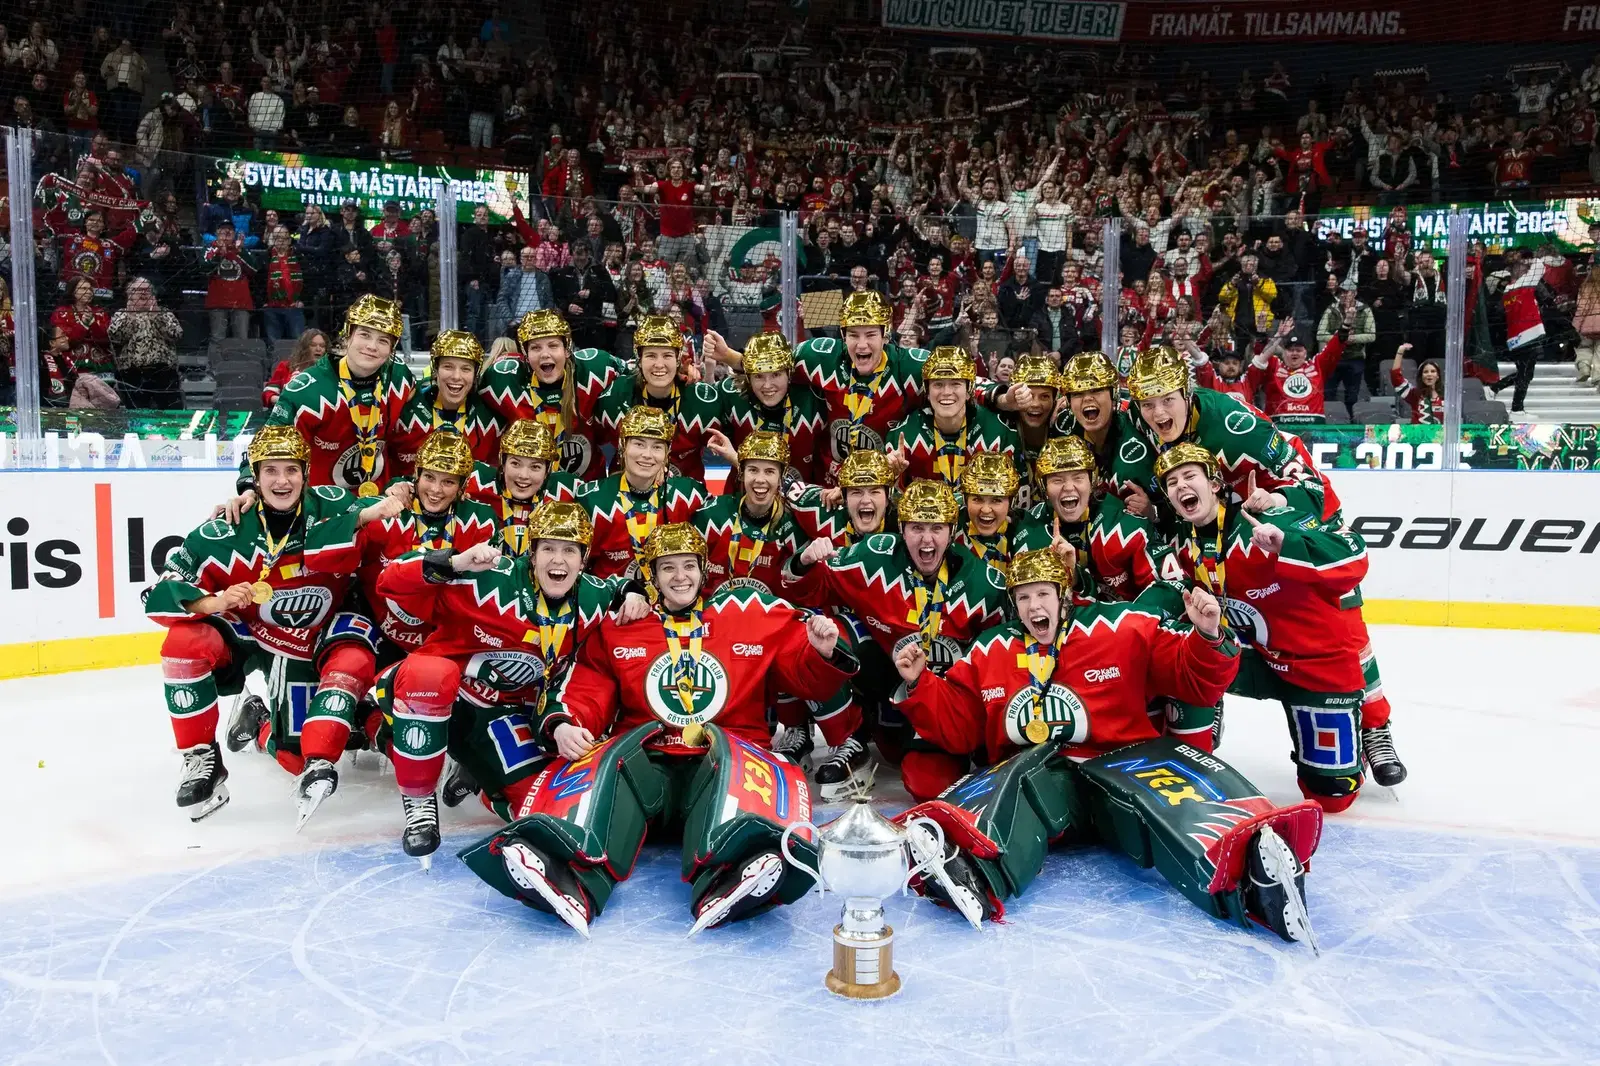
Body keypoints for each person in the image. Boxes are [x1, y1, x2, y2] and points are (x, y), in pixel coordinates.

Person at [890, 547, 1323, 950]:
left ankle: (1255, 878)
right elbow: (961, 726)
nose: (1034, 606)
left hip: (1124, 767)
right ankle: (968, 871)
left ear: (1064, 595)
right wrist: (920, 685)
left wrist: (1207, 636)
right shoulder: (991, 649)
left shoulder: (1119, 626)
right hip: (1046, 780)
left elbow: (1191, 678)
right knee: (1016, 784)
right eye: (1023, 597)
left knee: (1174, 798)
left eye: (1042, 594)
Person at [460, 522, 856, 937]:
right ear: (651, 575)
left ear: (704, 570)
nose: (680, 577)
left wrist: (821, 650)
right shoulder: (622, 627)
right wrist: (563, 724)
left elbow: (803, 674)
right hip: (650, 771)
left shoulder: (748, 616)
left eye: (689, 566)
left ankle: (737, 872)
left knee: (734, 767)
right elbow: (588, 686)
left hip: (720, 769)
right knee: (610, 762)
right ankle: (567, 876)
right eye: (668, 567)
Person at [145, 425, 401, 826]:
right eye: (271, 471)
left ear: (306, 472)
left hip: (316, 636)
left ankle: (265, 720)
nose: (282, 481)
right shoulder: (225, 529)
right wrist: (215, 601)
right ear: (255, 477)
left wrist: (396, 496)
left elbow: (381, 517)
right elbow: (160, 592)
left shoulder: (334, 504)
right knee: (185, 643)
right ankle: (202, 755)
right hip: (253, 633)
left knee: (296, 757)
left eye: (291, 470)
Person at [373, 502, 650, 861]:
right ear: (532, 554)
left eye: (569, 551)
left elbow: (622, 587)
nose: (558, 560)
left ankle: (478, 776)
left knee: (536, 798)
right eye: (548, 548)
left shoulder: (592, 597)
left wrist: (634, 591)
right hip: (444, 696)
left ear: (584, 560)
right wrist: (455, 563)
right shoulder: (490, 576)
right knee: (429, 674)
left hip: (504, 715)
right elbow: (388, 581)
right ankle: (419, 800)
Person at [1158, 442, 1398, 808]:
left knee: (1332, 796)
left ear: (1216, 485)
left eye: (1189, 476)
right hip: (1248, 653)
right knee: (1173, 651)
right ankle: (1197, 742)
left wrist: (1288, 542)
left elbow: (1353, 553)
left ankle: (1365, 732)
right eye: (1172, 483)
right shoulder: (1179, 540)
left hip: (1309, 661)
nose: (1181, 486)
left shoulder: (1265, 519)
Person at [782, 479, 1009, 801]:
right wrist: (803, 562)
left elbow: (1004, 659)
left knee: (925, 784)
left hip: (938, 700)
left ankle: (950, 743)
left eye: (937, 528)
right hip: (884, 683)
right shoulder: (873, 556)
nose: (927, 540)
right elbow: (807, 588)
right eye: (917, 528)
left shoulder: (985, 585)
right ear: (901, 528)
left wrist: (984, 732)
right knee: (814, 634)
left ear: (952, 532)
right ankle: (851, 740)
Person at [711, 290, 928, 484]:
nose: (862, 345)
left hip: (879, 487)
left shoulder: (910, 367)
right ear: (843, 335)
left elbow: (948, 384)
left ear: (885, 334)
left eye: (870, 334)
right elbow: (774, 366)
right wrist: (729, 356)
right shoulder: (819, 358)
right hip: (828, 489)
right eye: (853, 334)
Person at [231, 295, 415, 499]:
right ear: (348, 335)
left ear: (392, 348)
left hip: (381, 503)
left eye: (383, 340)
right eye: (365, 334)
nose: (372, 346)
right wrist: (248, 489)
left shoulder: (399, 378)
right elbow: (267, 443)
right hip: (323, 506)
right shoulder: (306, 390)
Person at [571, 406, 708, 580]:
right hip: (611, 596)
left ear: (667, 454)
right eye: (639, 444)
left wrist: (735, 460)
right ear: (623, 446)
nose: (647, 455)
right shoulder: (592, 499)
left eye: (657, 447)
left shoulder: (690, 495)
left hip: (672, 594)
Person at [594, 315, 723, 482]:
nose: (659, 364)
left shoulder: (702, 401)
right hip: (622, 493)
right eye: (651, 355)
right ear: (639, 358)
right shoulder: (615, 397)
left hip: (684, 494)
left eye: (667, 355)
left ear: (679, 358)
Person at [885, 346, 1025, 490]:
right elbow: (889, 498)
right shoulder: (903, 437)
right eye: (938, 384)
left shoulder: (1000, 434)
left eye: (955, 383)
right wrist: (893, 478)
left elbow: (1016, 497)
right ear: (927, 392)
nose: (946, 392)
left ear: (969, 390)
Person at [703, 331, 828, 487]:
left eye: (776, 375)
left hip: (805, 498)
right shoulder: (732, 394)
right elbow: (705, 400)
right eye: (758, 376)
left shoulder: (814, 398)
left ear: (789, 373)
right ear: (748, 377)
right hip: (742, 498)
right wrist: (708, 371)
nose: (767, 385)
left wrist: (729, 356)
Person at [392, 330, 531, 462]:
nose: (456, 376)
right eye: (448, 367)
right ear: (435, 370)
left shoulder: (492, 413)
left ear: (475, 375)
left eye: (466, 369)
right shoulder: (406, 404)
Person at [694, 431, 804, 597]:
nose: (760, 479)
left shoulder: (792, 527)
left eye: (769, 471)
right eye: (753, 470)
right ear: (741, 474)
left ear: (781, 478)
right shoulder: (711, 515)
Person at [514, 309, 621, 479]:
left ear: (567, 350)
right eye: (535, 347)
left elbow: (640, 374)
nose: (545, 354)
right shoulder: (507, 383)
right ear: (526, 354)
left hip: (587, 489)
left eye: (553, 345)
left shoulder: (596, 370)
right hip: (533, 489)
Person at [1250, 320, 1350, 425]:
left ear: (1305, 353)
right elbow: (1261, 354)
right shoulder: (1274, 366)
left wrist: (1346, 325)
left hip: (1313, 429)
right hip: (1280, 429)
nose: (1294, 353)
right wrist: (1262, 334)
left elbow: (1333, 350)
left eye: (1298, 350)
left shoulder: (1317, 366)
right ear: (1283, 353)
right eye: (1290, 350)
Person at [108, 276, 182, 408]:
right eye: (139, 290)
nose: (143, 293)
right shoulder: (121, 314)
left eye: (147, 290)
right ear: (130, 294)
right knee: (137, 414)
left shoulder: (164, 312)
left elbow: (176, 334)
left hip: (163, 372)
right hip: (133, 373)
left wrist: (156, 315)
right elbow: (116, 338)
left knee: (170, 413)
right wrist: (130, 316)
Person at [955, 452, 1021, 569]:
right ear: (965, 500)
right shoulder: (949, 533)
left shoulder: (1027, 533)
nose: (986, 510)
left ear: (1011, 502)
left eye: (996, 500)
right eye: (977, 499)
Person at [51, 277, 113, 378]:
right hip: (71, 365)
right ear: (73, 292)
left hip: (100, 366)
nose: (88, 292)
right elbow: (65, 341)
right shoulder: (61, 313)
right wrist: (83, 325)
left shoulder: (100, 313)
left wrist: (93, 323)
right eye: (83, 289)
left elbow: (106, 340)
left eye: (90, 289)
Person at [263, 329, 327, 408]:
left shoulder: (329, 371)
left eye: (322, 346)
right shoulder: (286, 366)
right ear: (304, 348)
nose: (318, 349)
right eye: (313, 345)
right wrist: (284, 401)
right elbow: (268, 393)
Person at [1390, 343, 1443, 424]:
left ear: (1438, 376)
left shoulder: (1447, 396)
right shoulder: (1415, 394)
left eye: (1433, 371)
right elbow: (1396, 378)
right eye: (1425, 372)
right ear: (1421, 376)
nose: (1429, 374)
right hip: (1418, 432)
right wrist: (1400, 351)